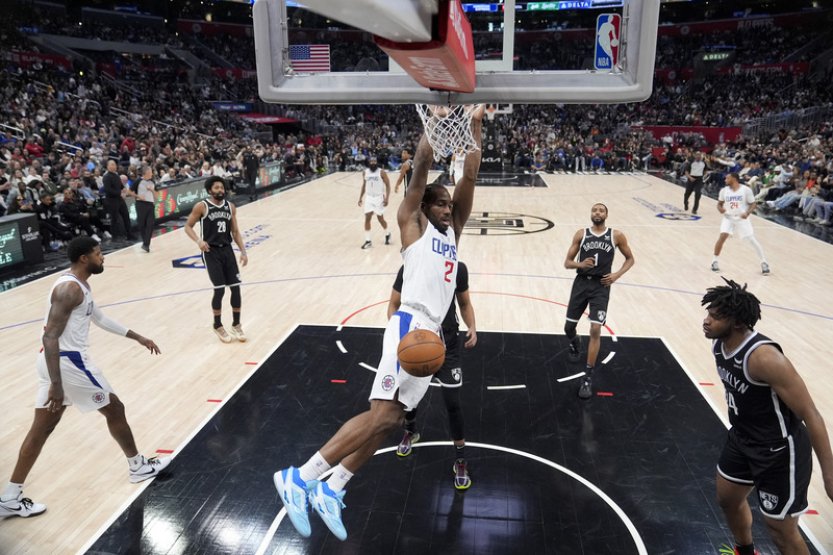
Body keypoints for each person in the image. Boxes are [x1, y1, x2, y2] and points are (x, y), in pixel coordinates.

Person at [274, 105, 484, 541]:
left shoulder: (452, 233)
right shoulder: (412, 225)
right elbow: (423, 167)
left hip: (431, 335)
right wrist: (436, 123)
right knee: (382, 414)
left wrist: (476, 127)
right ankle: (301, 476)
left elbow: (469, 178)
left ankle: (333, 487)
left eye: (450, 204)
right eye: (440, 202)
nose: (448, 207)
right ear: (423, 205)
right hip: (409, 325)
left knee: (390, 421)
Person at [0, 237, 171, 519]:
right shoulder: (69, 289)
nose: (102, 257)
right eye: (98, 253)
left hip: (53, 362)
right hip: (68, 363)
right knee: (114, 408)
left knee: (41, 430)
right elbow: (50, 335)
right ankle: (138, 466)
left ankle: (9, 497)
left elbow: (99, 318)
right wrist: (57, 385)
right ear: (84, 258)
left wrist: (137, 336)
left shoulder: (80, 286)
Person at [701, 279, 833, 555]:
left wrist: (829, 474)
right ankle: (745, 551)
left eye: (715, 316)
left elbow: (811, 414)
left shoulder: (765, 358)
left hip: (779, 451)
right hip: (742, 439)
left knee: (780, 530)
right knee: (727, 499)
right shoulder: (720, 344)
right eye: (708, 313)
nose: (706, 321)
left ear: (737, 323)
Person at [389, 261, 477, 490]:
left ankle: (460, 459)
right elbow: (393, 304)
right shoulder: (410, 267)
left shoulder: (458, 268)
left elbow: (464, 302)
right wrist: (396, 335)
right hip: (417, 343)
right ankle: (411, 431)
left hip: (448, 346)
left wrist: (472, 326)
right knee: (409, 396)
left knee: (453, 404)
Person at [564, 203, 635, 400]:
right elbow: (567, 263)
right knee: (568, 328)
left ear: (606, 215)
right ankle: (574, 342)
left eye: (601, 210)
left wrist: (616, 275)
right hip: (580, 284)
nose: (597, 212)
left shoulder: (616, 235)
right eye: (594, 210)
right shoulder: (581, 234)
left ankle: (587, 377)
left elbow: (630, 259)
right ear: (590, 214)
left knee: (596, 328)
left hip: (601, 287)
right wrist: (580, 264)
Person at [184, 176, 248, 343]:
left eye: (222, 187)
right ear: (210, 190)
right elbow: (187, 226)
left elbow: (235, 232)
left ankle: (236, 324)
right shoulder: (202, 206)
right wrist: (198, 240)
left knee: (235, 288)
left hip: (227, 251)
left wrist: (243, 251)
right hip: (211, 252)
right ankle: (218, 325)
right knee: (219, 289)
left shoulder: (231, 207)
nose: (220, 190)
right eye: (217, 187)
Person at [712, 172, 770, 275]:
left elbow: (753, 204)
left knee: (752, 240)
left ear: (734, 179)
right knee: (722, 236)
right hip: (728, 217)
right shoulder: (724, 191)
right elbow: (719, 204)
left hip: (741, 218)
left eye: (727, 178)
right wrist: (721, 209)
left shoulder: (746, 190)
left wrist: (747, 213)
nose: (725, 180)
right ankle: (714, 261)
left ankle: (764, 262)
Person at [358, 156, 391, 249]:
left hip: (378, 198)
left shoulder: (381, 172)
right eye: (371, 161)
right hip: (369, 198)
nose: (373, 162)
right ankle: (368, 241)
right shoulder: (365, 172)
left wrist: (387, 198)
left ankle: (387, 233)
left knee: (380, 219)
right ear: (369, 162)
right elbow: (364, 186)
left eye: (374, 161)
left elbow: (388, 185)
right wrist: (360, 198)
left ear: (376, 162)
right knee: (367, 218)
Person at [102, 159, 135, 240]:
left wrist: (123, 190)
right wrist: (119, 193)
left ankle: (129, 234)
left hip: (119, 199)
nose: (114, 166)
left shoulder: (116, 175)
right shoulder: (106, 177)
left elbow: (121, 186)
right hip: (112, 200)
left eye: (114, 164)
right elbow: (108, 190)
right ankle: (115, 237)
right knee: (114, 219)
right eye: (112, 164)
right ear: (108, 166)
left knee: (126, 216)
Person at [134, 165, 157, 253]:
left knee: (150, 224)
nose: (152, 173)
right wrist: (138, 196)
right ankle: (145, 243)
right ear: (146, 172)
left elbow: (157, 195)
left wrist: (152, 190)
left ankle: (146, 244)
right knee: (142, 225)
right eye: (151, 171)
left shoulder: (152, 182)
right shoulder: (138, 181)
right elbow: (130, 192)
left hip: (150, 205)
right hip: (140, 204)